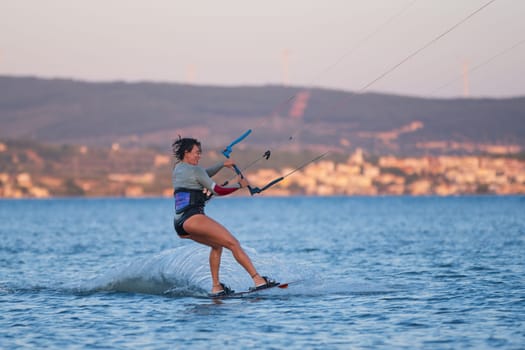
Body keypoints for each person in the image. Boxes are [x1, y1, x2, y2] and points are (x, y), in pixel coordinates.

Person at [171, 137, 277, 297]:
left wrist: (222, 165)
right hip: (193, 217)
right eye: (196, 153)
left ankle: (216, 287)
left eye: (200, 153)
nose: (199, 156)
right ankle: (258, 280)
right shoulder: (195, 170)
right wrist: (238, 186)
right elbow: (217, 190)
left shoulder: (179, 169)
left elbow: (204, 174)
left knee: (217, 245)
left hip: (180, 224)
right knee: (233, 243)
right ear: (187, 152)